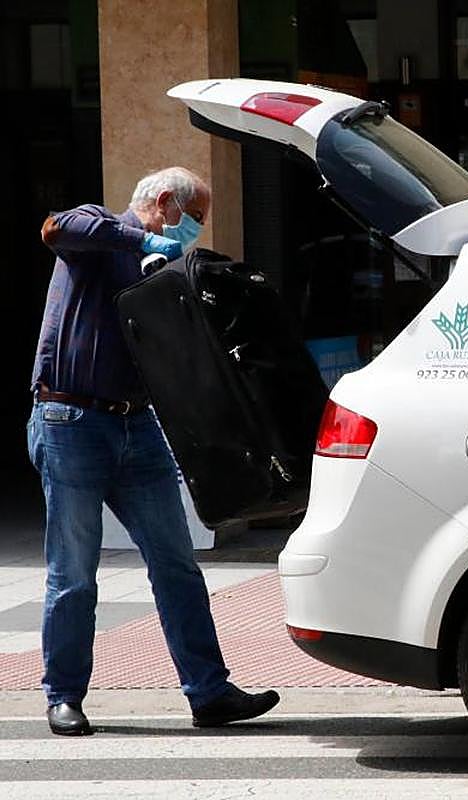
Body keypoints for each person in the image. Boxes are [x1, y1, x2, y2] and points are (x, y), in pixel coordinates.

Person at [29, 166, 280, 736]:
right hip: (71, 419)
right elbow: (55, 227)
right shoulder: (98, 234)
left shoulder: (161, 269)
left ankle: (209, 693)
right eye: (192, 218)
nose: (192, 230)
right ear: (165, 203)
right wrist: (144, 239)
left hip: (134, 425)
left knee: (177, 566)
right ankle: (63, 695)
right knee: (73, 572)